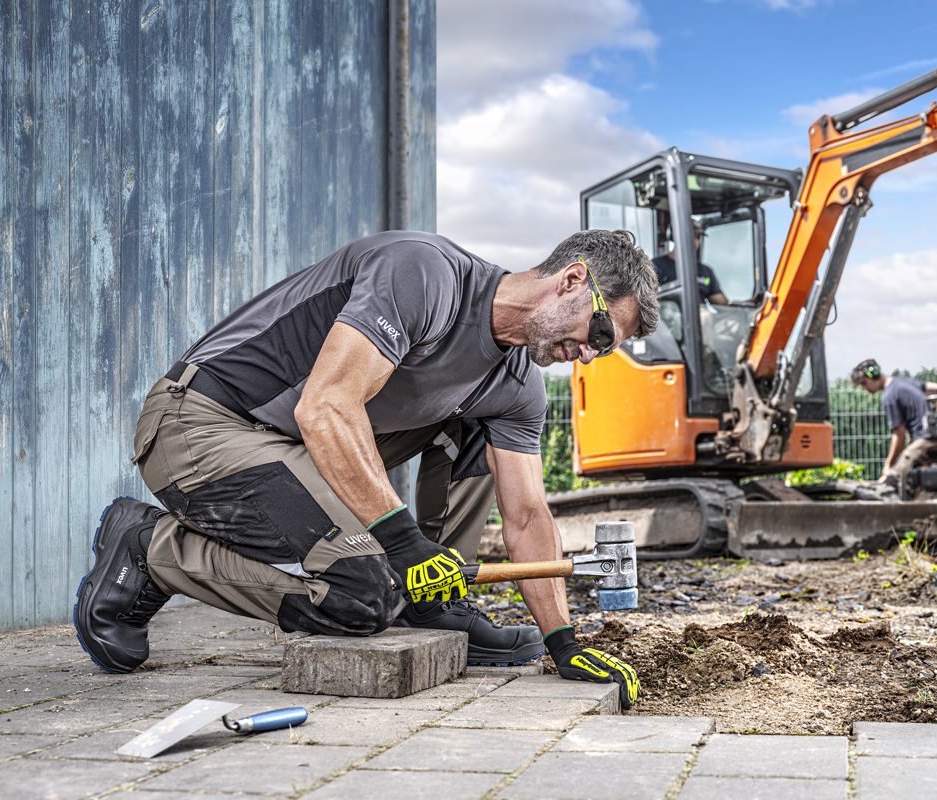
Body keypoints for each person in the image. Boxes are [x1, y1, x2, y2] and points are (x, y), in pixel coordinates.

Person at [74, 229, 657, 710]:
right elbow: (326, 407)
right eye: (599, 333)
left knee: (479, 424)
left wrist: (563, 640)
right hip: (202, 425)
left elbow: (527, 512)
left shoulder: (517, 383)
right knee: (361, 594)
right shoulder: (425, 274)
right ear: (573, 279)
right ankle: (150, 547)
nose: (588, 354)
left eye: (603, 350)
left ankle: (437, 601)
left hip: (298, 448)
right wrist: (401, 547)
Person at [851, 359, 937, 496]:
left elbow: (899, 435)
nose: (864, 389)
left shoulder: (889, 396)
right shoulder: (904, 382)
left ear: (875, 375)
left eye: (864, 383)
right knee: (916, 481)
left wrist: (888, 466)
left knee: (894, 480)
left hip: (926, 441)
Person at [651, 219, 729, 305]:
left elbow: (723, 304)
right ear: (675, 236)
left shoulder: (706, 271)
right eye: (691, 237)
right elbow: (649, 301)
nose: (696, 243)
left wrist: (744, 308)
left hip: (701, 315)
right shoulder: (655, 267)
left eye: (698, 237)